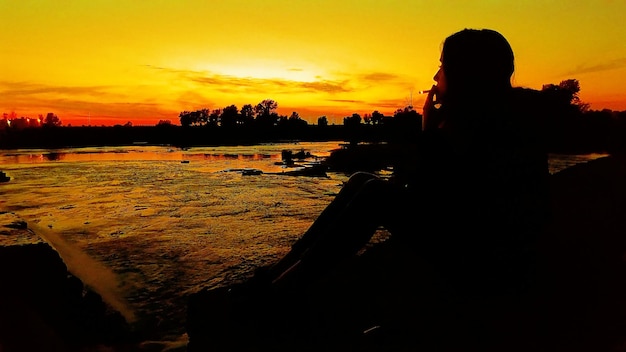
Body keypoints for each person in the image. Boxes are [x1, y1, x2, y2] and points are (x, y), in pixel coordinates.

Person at [187, 28, 552, 351]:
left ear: (464, 74)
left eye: (442, 66)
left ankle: (279, 294)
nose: (435, 76)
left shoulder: (481, 124)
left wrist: (428, 132)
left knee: (374, 194)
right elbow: (433, 191)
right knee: (364, 180)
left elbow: (432, 190)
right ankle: (278, 276)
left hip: (486, 259)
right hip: (479, 241)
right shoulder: (501, 113)